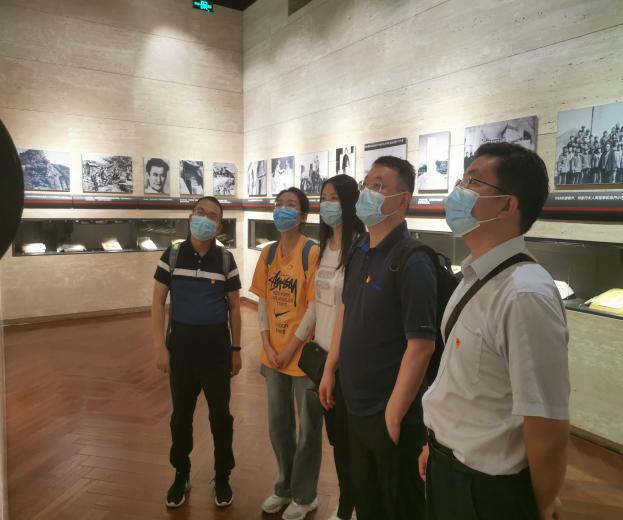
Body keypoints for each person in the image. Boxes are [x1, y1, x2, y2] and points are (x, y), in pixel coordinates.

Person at [420, 142, 570, 520]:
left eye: (473, 181)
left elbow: (547, 424)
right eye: (461, 179)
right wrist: (437, 444)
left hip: (487, 493)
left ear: (507, 206)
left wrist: (540, 502)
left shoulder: (525, 295)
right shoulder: (474, 275)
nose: (458, 190)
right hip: (447, 468)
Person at [320, 156, 437, 520]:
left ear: (403, 200)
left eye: (379, 185)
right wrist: (330, 368)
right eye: (367, 183)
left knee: (399, 506)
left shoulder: (413, 261)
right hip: (355, 404)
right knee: (367, 502)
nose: (368, 192)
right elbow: (345, 309)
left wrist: (393, 415)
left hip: (389, 413)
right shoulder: (359, 250)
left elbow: (422, 345)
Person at [152, 196, 242, 509]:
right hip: (181, 350)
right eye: (200, 212)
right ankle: (181, 473)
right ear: (191, 216)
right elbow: (157, 303)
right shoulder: (173, 254)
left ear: (219, 224)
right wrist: (159, 347)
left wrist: (236, 349)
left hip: (216, 350)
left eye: (212, 216)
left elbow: (235, 307)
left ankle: (222, 476)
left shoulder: (226, 259)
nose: (205, 218)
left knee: (221, 417)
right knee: (181, 418)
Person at [250, 187, 324, 520]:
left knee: (309, 430)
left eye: (291, 205)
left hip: (304, 358)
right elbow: (263, 301)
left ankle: (306, 495)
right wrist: (267, 345)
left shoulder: (312, 252)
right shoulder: (268, 254)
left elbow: (314, 308)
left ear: (303, 216)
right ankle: (284, 487)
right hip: (273, 356)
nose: (282, 209)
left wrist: (290, 348)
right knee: (278, 427)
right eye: (278, 204)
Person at [296, 175, 364, 520]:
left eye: (334, 198)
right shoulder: (323, 248)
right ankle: (347, 499)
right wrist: (296, 342)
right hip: (321, 358)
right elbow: (316, 303)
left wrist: (334, 366)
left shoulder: (360, 248)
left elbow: (350, 311)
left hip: (346, 362)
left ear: (350, 202)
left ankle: (352, 503)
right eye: (323, 198)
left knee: (353, 441)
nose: (326, 204)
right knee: (337, 439)